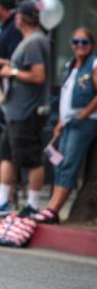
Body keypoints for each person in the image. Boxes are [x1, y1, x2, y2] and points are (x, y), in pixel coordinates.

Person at [0, 0, 51, 216]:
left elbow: (38, 76)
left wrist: (11, 73)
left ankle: (32, 204)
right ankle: (2, 200)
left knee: (31, 158)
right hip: (14, 111)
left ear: (21, 18)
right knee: (6, 155)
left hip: (27, 111)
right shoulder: (28, 41)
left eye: (17, 15)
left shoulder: (34, 42)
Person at [33, 28, 97, 223]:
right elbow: (66, 97)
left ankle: (53, 209)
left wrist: (83, 114)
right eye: (76, 41)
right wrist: (61, 121)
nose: (80, 46)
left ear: (91, 44)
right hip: (68, 122)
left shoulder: (93, 63)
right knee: (60, 164)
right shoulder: (70, 65)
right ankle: (52, 207)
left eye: (84, 42)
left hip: (83, 122)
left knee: (69, 163)